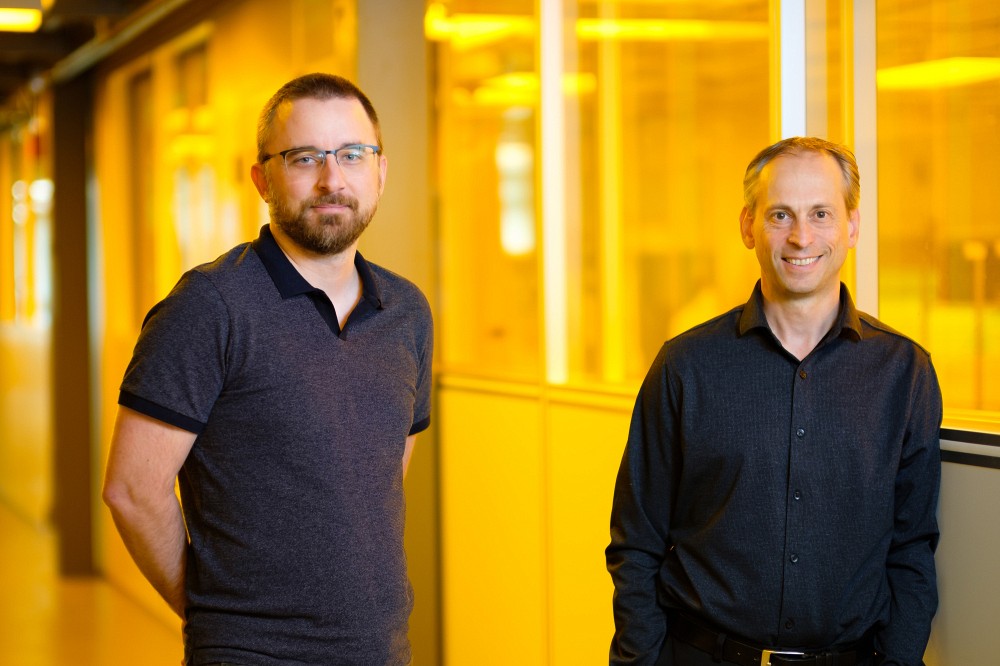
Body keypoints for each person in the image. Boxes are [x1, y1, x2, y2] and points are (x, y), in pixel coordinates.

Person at [102, 73, 433, 666]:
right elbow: (131, 490)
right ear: (262, 178)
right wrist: (220, 618)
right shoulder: (209, 307)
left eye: (353, 155)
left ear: (380, 171)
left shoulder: (406, 311)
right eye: (305, 158)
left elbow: (383, 472)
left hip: (381, 652)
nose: (333, 179)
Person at [607, 137, 941, 666]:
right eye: (780, 214)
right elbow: (636, 544)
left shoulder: (904, 373)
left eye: (821, 213)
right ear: (748, 226)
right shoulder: (685, 367)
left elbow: (912, 550)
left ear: (852, 227)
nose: (801, 236)